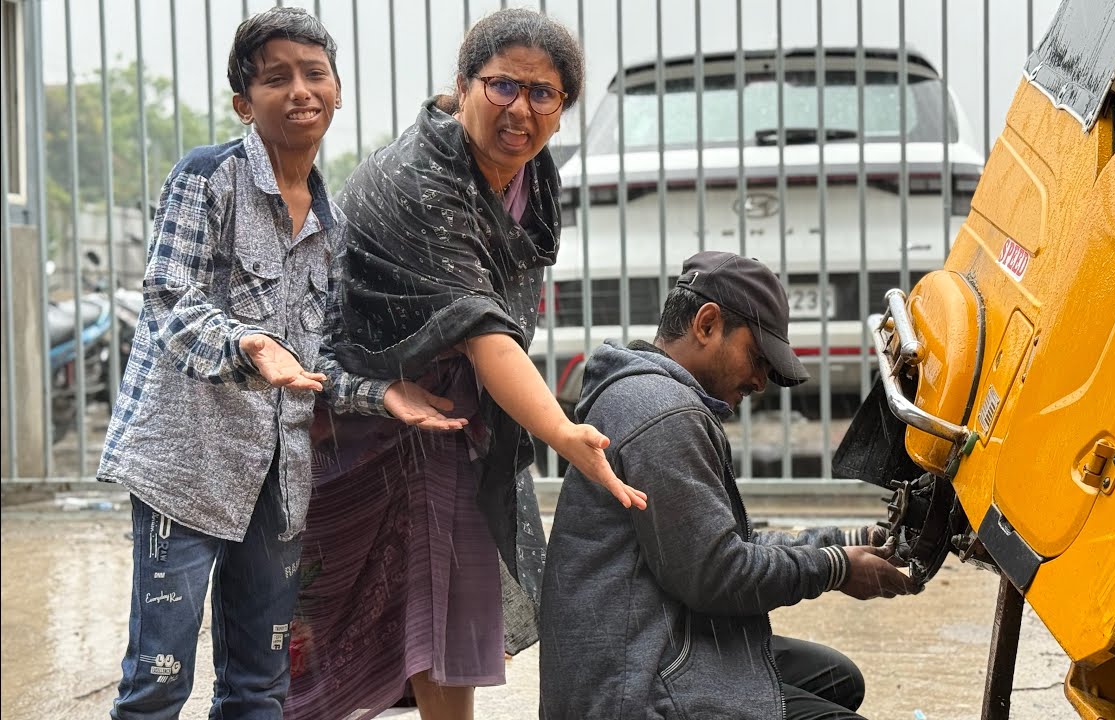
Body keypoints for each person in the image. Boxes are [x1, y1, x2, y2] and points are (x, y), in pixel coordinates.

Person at [96, 7, 464, 719]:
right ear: (245, 102)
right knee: (159, 678)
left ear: (336, 91)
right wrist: (251, 345)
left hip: (279, 476)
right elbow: (171, 301)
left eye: (314, 74)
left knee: (261, 685)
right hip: (185, 468)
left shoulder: (335, 226)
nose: (300, 90)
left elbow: (322, 356)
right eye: (276, 78)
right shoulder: (205, 179)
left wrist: (381, 392)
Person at [282, 9, 646, 720]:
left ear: (564, 110)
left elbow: (498, 311)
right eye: (504, 85)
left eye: (545, 95)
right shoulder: (418, 177)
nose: (522, 110)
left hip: (453, 415)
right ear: (464, 85)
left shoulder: (533, 174)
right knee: (344, 634)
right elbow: (480, 324)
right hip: (365, 411)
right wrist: (563, 432)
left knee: (445, 618)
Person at [539, 251, 921, 720]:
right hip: (630, 689)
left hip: (649, 642)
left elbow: (722, 544)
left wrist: (847, 542)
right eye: (757, 357)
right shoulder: (665, 415)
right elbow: (719, 575)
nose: (761, 381)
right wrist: (835, 569)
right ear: (706, 324)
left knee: (838, 677)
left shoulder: (653, 393)